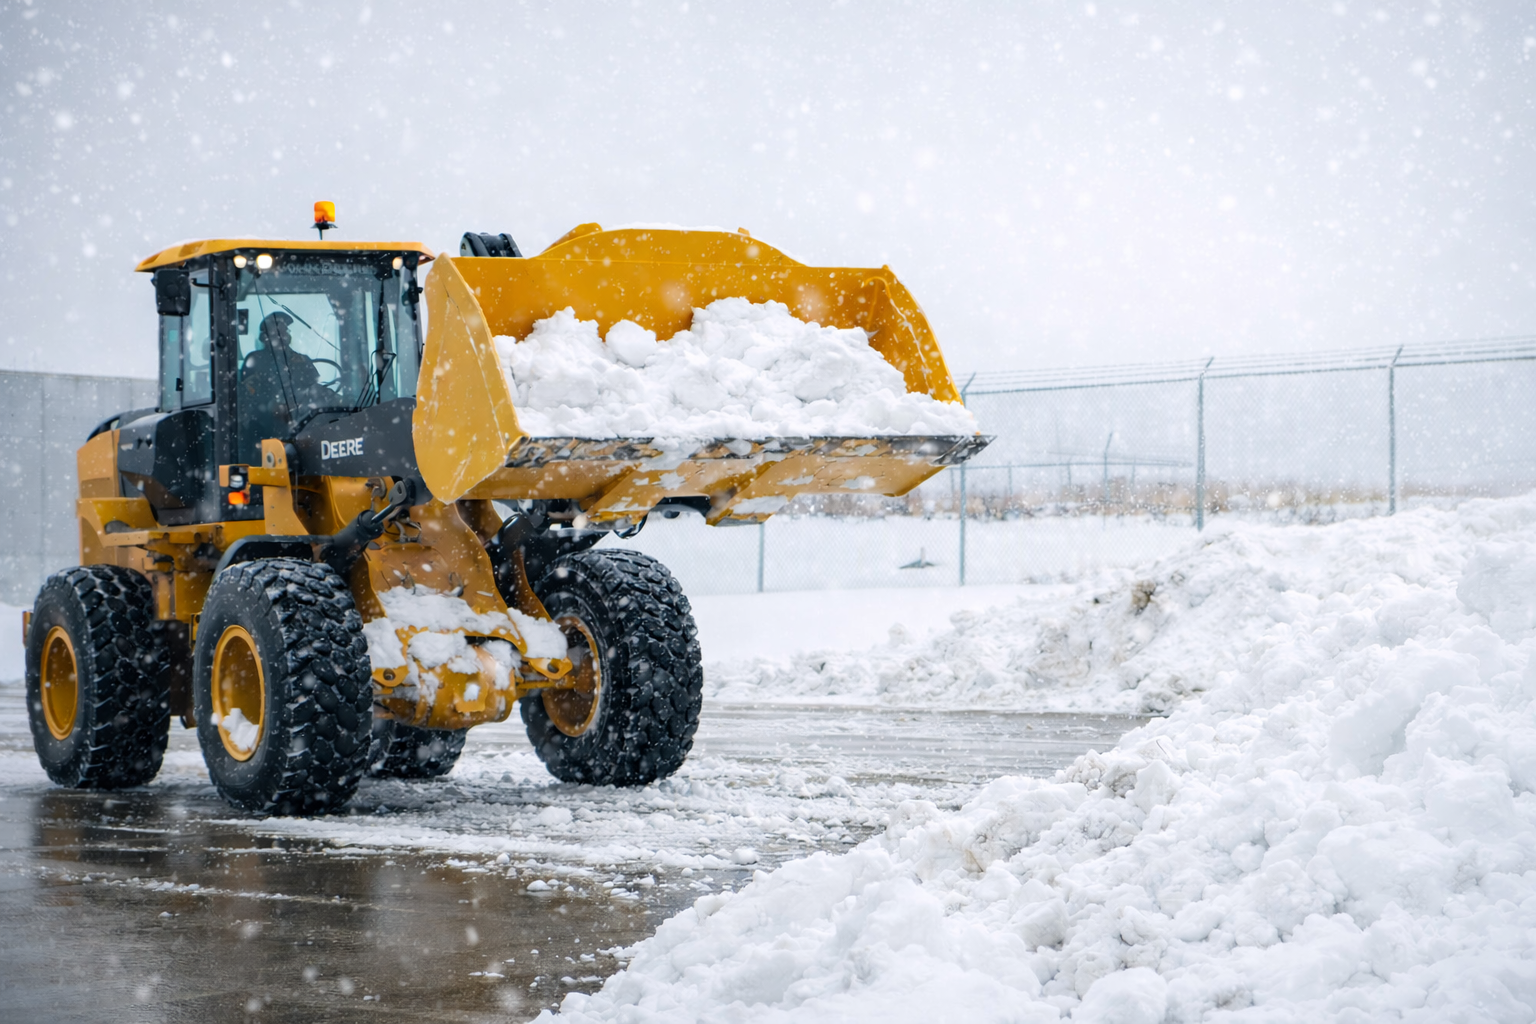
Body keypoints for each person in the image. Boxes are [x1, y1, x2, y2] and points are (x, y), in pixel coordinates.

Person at [238, 311, 342, 458]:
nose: (283, 334)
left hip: (304, 421)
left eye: (285, 330)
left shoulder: (302, 360)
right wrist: (271, 405)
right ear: (265, 337)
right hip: (266, 427)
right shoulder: (255, 361)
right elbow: (248, 399)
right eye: (277, 331)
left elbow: (315, 390)